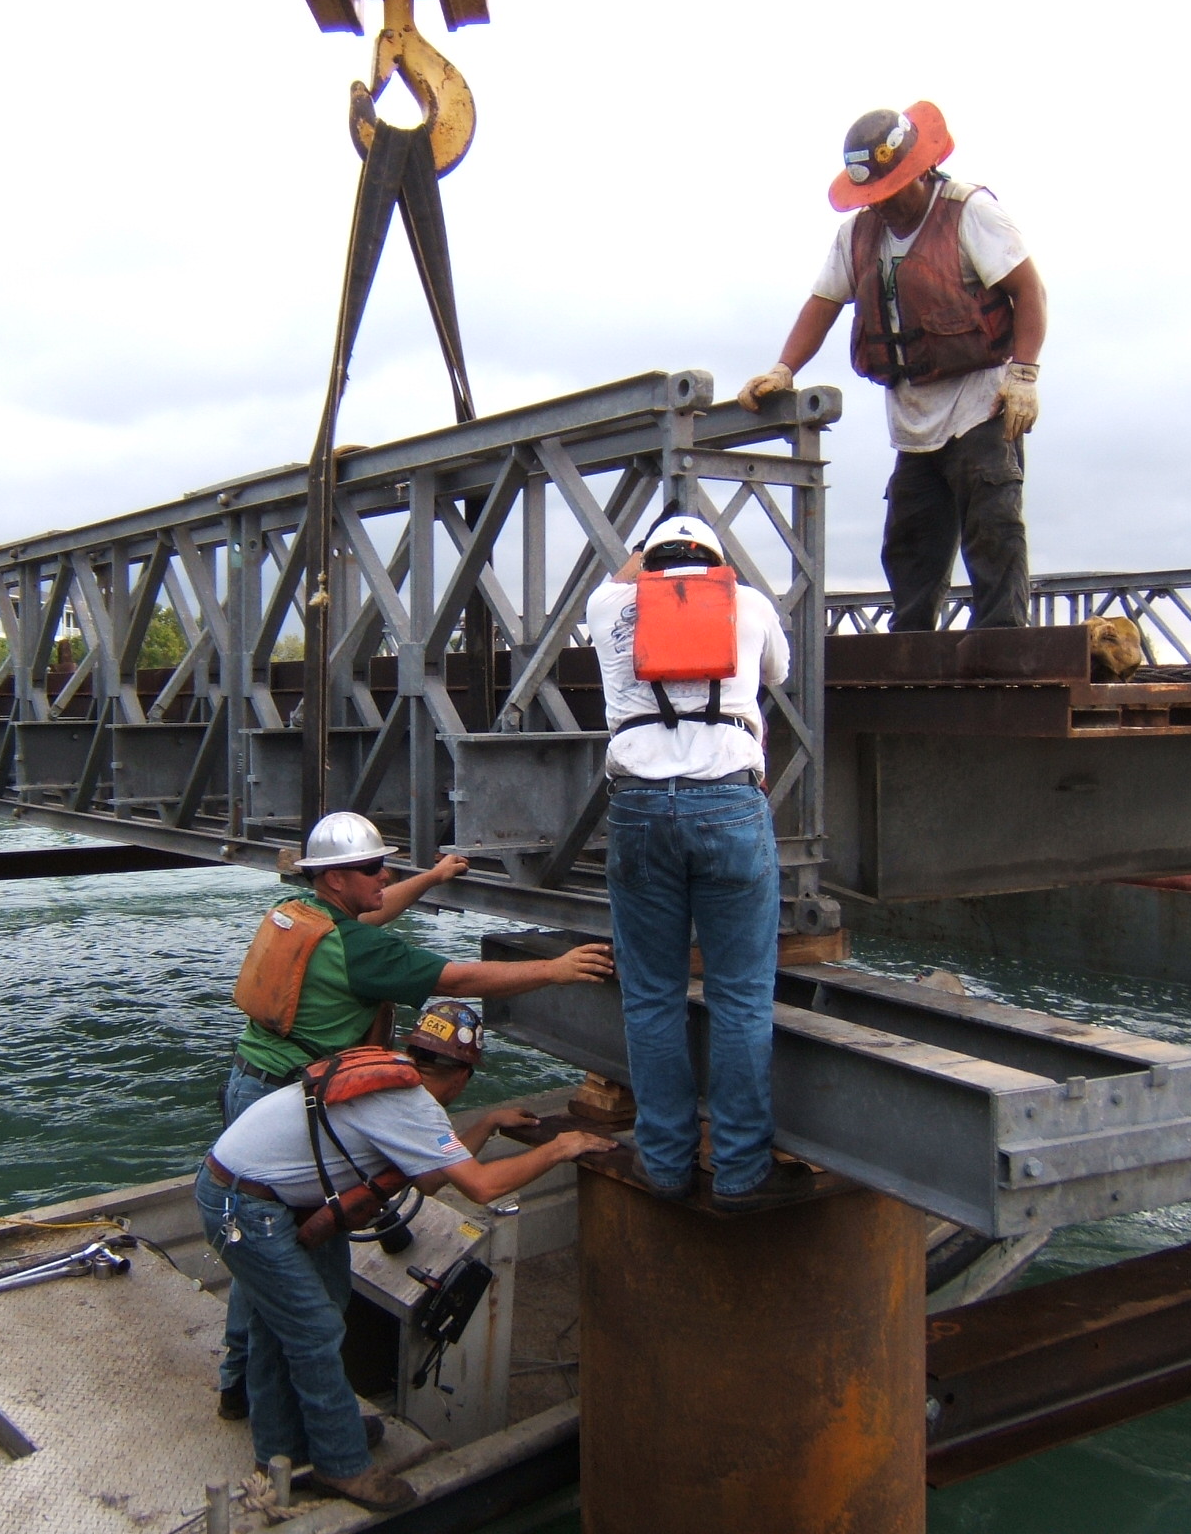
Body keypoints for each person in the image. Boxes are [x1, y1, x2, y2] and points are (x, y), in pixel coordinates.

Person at [216, 811, 613, 1419]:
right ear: (334, 879)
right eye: (374, 868)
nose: (385, 876)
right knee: (305, 1274)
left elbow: (371, 912)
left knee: (258, 1261)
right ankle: (289, 1410)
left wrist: (431, 878)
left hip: (248, 1081)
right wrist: (555, 970)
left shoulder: (305, 916)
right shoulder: (358, 950)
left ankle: (238, 1382)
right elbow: (459, 976)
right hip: (284, 1092)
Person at [199, 1005, 616, 1511]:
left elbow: (431, 1174)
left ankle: (284, 1447)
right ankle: (341, 1466)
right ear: (461, 1076)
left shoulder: (393, 1080)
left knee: (303, 1312)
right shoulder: (410, 1106)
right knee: (311, 1329)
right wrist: (559, 1148)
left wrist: (486, 1126)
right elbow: (480, 1188)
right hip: (245, 1205)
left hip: (266, 1194)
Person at [737, 101, 1048, 632]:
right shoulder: (857, 236)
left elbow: (1029, 291)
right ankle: (912, 660)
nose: (882, 204)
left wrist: (1023, 375)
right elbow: (823, 304)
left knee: (992, 532)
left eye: (891, 189)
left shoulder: (969, 212)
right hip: (912, 418)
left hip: (981, 403)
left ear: (920, 170)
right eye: (872, 196)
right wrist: (784, 368)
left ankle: (1004, 653)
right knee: (910, 545)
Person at [583, 513, 797, 1212]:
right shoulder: (751, 604)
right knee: (739, 996)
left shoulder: (612, 604)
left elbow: (625, 575)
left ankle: (667, 1164)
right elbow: (780, 672)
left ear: (648, 558)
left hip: (640, 806)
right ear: (714, 558)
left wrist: (645, 558)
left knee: (651, 998)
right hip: (729, 802)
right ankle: (738, 1170)